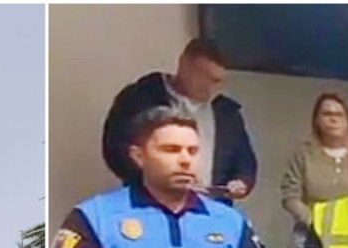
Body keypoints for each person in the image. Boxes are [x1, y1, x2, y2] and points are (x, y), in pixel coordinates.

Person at [51, 108, 260, 248]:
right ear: (138, 156)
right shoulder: (95, 216)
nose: (185, 160)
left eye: (192, 151)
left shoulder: (229, 220)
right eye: (171, 150)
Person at [102, 38, 257, 200]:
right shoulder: (140, 99)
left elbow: (245, 162)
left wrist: (241, 182)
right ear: (184, 66)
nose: (211, 88)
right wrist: (156, 181)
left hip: (210, 206)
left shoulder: (226, 112)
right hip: (150, 201)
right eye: (205, 77)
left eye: (218, 81)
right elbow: (115, 149)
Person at [279, 93, 348, 248]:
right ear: (316, 120)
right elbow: (290, 197)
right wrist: (316, 223)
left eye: (339, 115)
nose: (333, 120)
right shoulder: (303, 154)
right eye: (327, 114)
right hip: (308, 236)